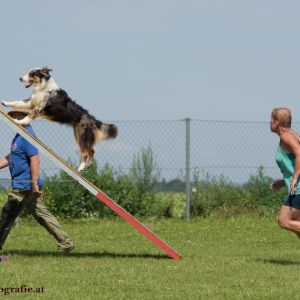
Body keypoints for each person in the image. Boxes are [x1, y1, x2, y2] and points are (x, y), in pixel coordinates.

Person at [0, 111, 74, 253]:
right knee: (43, 215)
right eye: (13, 116)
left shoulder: (27, 135)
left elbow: (35, 159)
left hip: (24, 186)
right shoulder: (19, 135)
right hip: (27, 185)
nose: (14, 119)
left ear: (26, 117)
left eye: (18, 116)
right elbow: (13, 156)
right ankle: (65, 243)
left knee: (7, 216)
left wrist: (34, 184)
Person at [270, 107, 300, 238]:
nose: (270, 122)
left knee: (283, 220)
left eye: (272, 119)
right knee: (297, 225)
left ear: (279, 121)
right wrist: (283, 182)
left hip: (298, 190)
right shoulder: (291, 135)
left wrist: (294, 179)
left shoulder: (286, 137)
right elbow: (293, 165)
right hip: (296, 187)